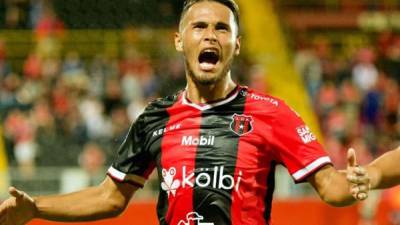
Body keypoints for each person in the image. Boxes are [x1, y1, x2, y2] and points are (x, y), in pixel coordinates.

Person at [0, 1, 370, 225]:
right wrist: (36, 209)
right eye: (200, 26)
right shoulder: (153, 119)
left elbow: (331, 187)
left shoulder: (271, 112)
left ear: (236, 45)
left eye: (222, 28)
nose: (210, 35)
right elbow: (109, 198)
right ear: (180, 40)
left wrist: (362, 178)